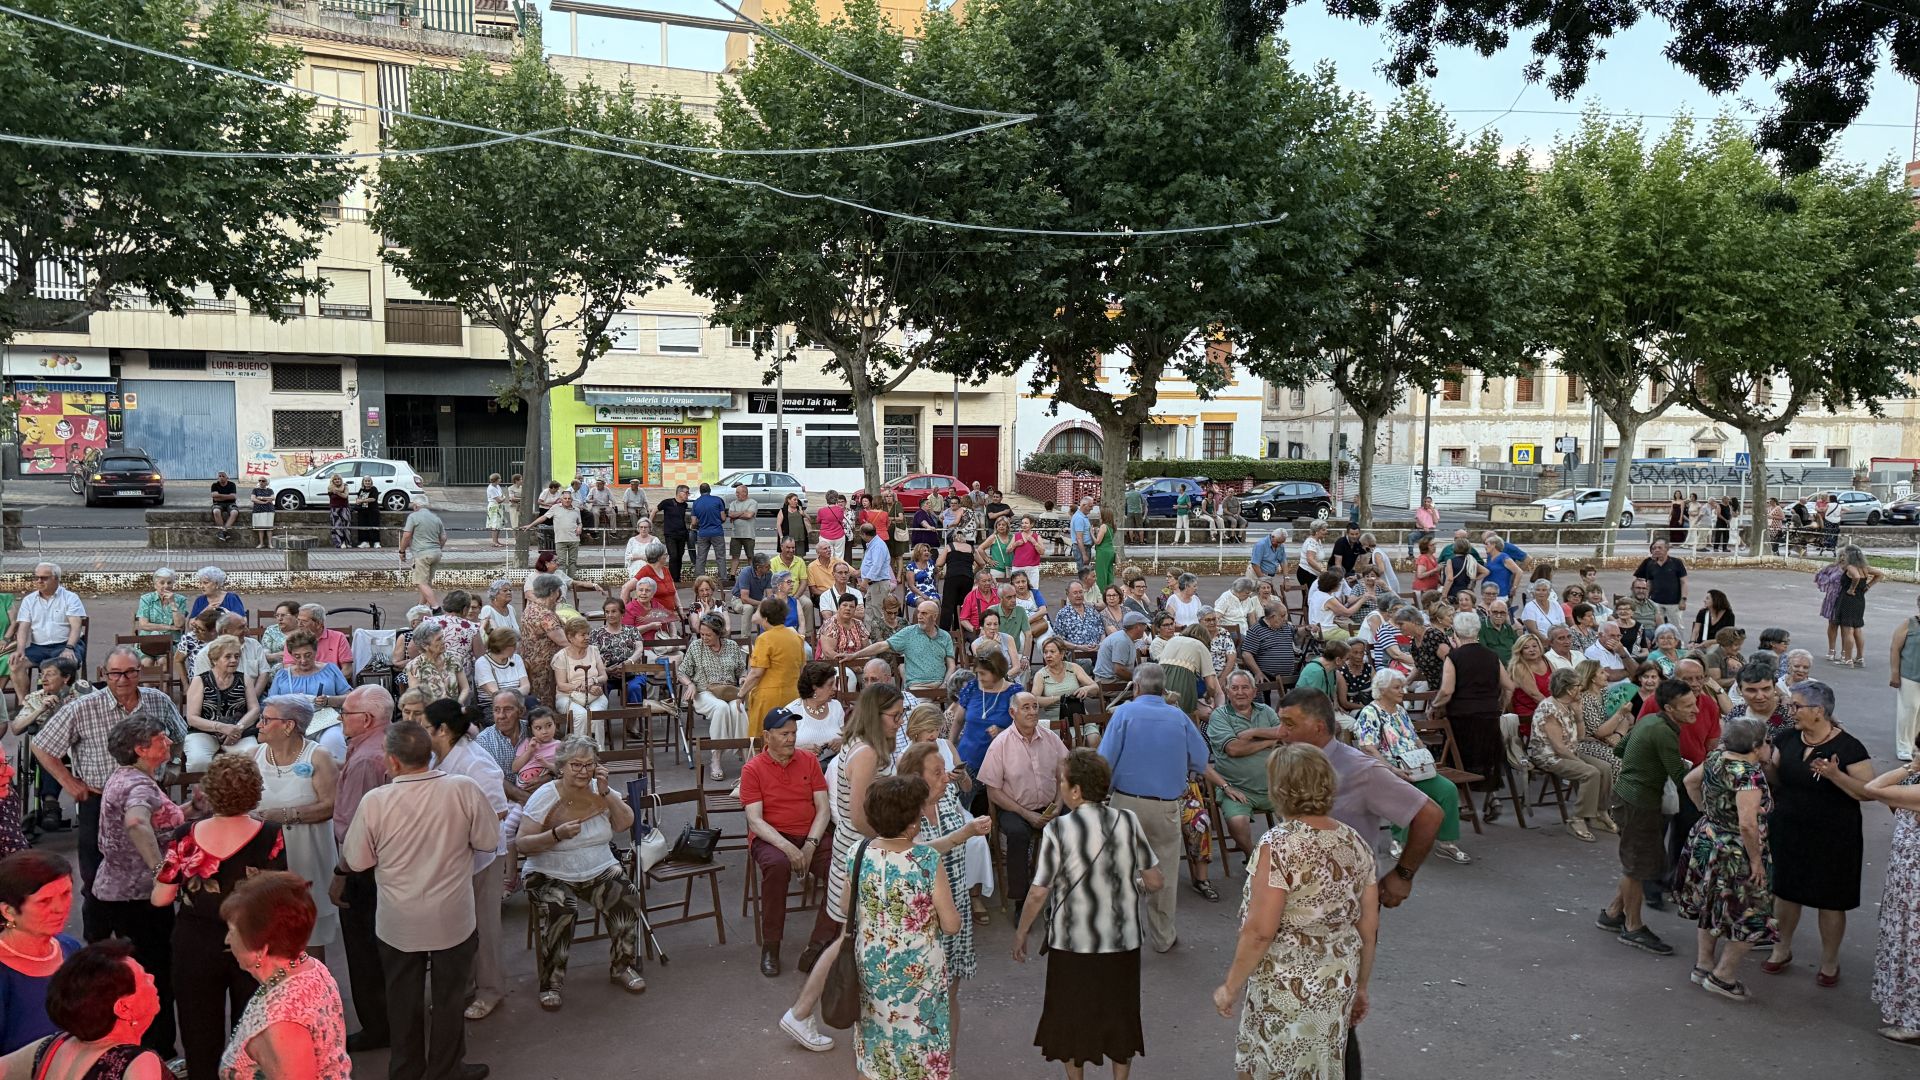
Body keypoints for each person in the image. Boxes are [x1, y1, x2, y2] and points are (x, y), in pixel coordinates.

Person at [1274, 687, 1442, 1076]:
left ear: (1318, 727)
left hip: (1346, 916)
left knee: (1338, 1018)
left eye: (1289, 724)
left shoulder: (1361, 770)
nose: (1280, 733)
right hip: (1298, 916)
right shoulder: (1292, 762)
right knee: (1301, 1017)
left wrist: (1402, 875)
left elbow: (1428, 814)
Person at [338, 720, 496, 1080]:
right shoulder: (463, 789)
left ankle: (407, 1071)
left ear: (391, 761)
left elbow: (357, 861)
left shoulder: (376, 801)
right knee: (450, 1000)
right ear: (429, 754)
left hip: (399, 921)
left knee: (402, 1000)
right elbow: (488, 841)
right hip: (452, 918)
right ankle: (446, 1069)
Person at [1212, 742, 1377, 1080]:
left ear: (1279, 787)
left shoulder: (1279, 845)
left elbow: (1260, 930)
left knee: (1273, 1063)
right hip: (1338, 976)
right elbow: (1368, 926)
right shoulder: (1354, 841)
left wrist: (1230, 986)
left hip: (1287, 982)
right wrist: (1361, 986)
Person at [1013, 749, 1161, 1080]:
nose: (1060, 788)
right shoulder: (1127, 821)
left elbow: (1039, 891)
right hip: (1122, 941)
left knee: (1072, 1019)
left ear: (1076, 789)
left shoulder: (1058, 829)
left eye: (1062, 782)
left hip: (1072, 942)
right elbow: (1154, 880)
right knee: (1121, 1016)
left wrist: (1022, 932)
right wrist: (1131, 883)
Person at [776, 686, 905, 1054]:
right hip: (861, 855)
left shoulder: (864, 745)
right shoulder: (865, 752)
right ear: (875, 714)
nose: (899, 722)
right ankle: (802, 1013)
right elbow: (860, 817)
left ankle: (809, 1013)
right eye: (894, 715)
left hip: (858, 853)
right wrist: (894, 842)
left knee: (851, 938)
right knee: (847, 940)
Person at [31, 647, 184, 941]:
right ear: (104, 674)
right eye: (115, 673)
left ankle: (149, 939)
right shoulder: (83, 707)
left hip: (150, 799)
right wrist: (68, 781)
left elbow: (178, 735)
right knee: (96, 877)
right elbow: (41, 745)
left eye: (130, 672)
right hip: (98, 800)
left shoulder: (158, 700)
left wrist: (174, 762)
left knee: (148, 871)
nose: (123, 679)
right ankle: (97, 943)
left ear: (140, 672)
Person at [149, 754, 287, 1079]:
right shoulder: (270, 833)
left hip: (195, 943)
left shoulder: (185, 834)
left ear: (208, 791)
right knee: (250, 1034)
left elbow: (161, 897)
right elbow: (277, 896)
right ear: (255, 791)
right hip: (253, 942)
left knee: (199, 1034)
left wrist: (164, 870)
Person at [511, 737, 644, 1012]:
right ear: (561, 766)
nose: (583, 771)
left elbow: (624, 824)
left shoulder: (600, 789)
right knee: (563, 908)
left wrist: (607, 794)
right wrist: (555, 834)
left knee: (626, 896)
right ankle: (551, 983)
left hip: (597, 866)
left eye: (589, 765)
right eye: (576, 765)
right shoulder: (546, 794)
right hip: (548, 870)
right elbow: (522, 843)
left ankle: (622, 967)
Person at [1761, 679, 1874, 987]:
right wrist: (1765, 765)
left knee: (1831, 899)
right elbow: (1776, 779)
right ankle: (1781, 949)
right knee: (1786, 892)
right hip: (1790, 828)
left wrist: (1835, 775)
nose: (1790, 710)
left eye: (1796, 706)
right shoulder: (1786, 739)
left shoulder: (1850, 747)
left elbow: (1867, 793)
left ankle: (1829, 960)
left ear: (1819, 711)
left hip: (1835, 835)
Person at [88, 715, 182, 1062]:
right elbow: (136, 822)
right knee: (153, 980)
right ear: (141, 749)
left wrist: (192, 810)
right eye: (161, 739)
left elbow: (155, 821)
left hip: (112, 892)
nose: (169, 742)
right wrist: (161, 871)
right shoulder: (140, 786)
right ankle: (158, 1055)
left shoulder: (128, 778)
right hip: (139, 901)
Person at [1097, 664, 1207, 953]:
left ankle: (1118, 932)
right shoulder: (1178, 717)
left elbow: (1104, 761)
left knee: (1119, 869)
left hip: (1125, 802)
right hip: (1164, 805)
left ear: (1135, 687)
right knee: (1165, 873)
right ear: (1163, 688)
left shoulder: (1123, 714)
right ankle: (1163, 936)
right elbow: (1200, 758)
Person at [1668, 713, 1776, 1000]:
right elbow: (1747, 823)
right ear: (1755, 745)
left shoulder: (1717, 758)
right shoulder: (1747, 774)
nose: (1770, 747)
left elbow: (1691, 781)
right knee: (1750, 913)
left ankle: (1703, 965)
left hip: (1708, 838)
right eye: (1767, 742)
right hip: (1735, 851)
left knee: (1711, 903)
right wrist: (1755, 861)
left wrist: (1709, 812)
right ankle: (1723, 976)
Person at [214, 873, 352, 1079]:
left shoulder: (281, 1023)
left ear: (261, 949)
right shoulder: (309, 966)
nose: (227, 939)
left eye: (233, 931)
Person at [1599, 679, 1699, 957]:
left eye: (1695, 703)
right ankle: (1633, 927)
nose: (1696, 711)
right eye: (1688, 706)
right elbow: (1680, 778)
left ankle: (1613, 913)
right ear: (1670, 708)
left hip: (1629, 798)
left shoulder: (1650, 720)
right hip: (1639, 804)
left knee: (1638, 862)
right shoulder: (1665, 732)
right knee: (1636, 867)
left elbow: (1620, 750)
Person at [741, 709, 837, 978]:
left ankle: (820, 942)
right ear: (767, 736)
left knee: (842, 871)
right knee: (777, 867)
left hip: (811, 835)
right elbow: (755, 821)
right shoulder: (753, 769)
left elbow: (823, 809)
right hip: (772, 837)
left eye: (794, 733)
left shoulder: (808, 760)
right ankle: (771, 945)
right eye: (784, 734)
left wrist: (809, 845)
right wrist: (788, 848)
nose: (791, 739)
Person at [1350, 670, 1472, 864]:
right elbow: (1368, 748)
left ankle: (1446, 842)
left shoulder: (1400, 711)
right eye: (1397, 687)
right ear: (1382, 690)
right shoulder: (1370, 713)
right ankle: (1398, 841)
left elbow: (1414, 739)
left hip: (1413, 764)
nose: (1403, 691)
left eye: (1403, 687)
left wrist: (1426, 757)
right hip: (1385, 767)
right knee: (1406, 789)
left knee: (1447, 789)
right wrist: (1392, 769)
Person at [249, 697, 340, 954]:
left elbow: (329, 806)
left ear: (288, 726)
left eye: (266, 719)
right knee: (270, 939)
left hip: (308, 855)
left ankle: (314, 991)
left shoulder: (318, 756)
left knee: (310, 939)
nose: (259, 725)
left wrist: (285, 815)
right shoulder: (254, 756)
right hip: (268, 862)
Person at [979, 692, 1068, 922]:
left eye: (1035, 706)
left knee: (1078, 822)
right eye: (1026, 707)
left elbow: (1064, 776)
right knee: (1018, 834)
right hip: (1015, 808)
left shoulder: (1050, 738)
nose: (1032, 712)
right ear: (1013, 713)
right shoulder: (1000, 744)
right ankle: (1021, 901)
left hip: (1051, 804)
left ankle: (1069, 892)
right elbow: (993, 792)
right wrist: (1026, 814)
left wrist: (1058, 804)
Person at [0, 852, 83, 1057]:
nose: (60, 908)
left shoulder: (70, 949)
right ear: (9, 911)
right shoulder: (5, 974)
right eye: (44, 901)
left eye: (66, 893)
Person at [1432, 612, 1512, 817]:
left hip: (1462, 715)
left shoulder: (1454, 657)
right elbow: (1509, 686)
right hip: (1488, 713)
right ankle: (1492, 797)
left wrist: (1434, 706)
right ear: (1477, 631)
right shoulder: (1491, 655)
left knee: (1459, 758)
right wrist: (1501, 705)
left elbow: (1447, 690)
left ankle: (1462, 803)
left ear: (1456, 632)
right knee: (1487, 757)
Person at [1527, 668, 1612, 842]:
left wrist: (1579, 715)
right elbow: (1558, 747)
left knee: (1605, 768)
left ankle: (1599, 812)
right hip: (1549, 756)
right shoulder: (1549, 708)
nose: (1581, 688)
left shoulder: (1568, 705)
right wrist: (1581, 762)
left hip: (1570, 750)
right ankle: (1577, 819)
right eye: (1578, 685)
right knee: (1591, 772)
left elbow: (1580, 737)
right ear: (1569, 689)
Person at [1206, 671, 1282, 862]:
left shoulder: (1266, 711)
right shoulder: (1219, 716)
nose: (1240, 692)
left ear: (1254, 691)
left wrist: (1254, 732)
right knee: (1237, 822)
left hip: (1276, 786)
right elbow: (1233, 749)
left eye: (1245, 687)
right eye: (1235, 688)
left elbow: (1285, 733)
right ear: (1227, 691)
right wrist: (1268, 741)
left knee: (1301, 815)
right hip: (1237, 789)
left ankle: (1287, 859)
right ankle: (1254, 859)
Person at [267, 633, 352, 765]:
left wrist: (328, 700)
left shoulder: (330, 670)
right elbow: (270, 704)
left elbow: (350, 698)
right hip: (292, 725)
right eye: (297, 656)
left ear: (315, 651)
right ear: (290, 655)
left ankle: (337, 779)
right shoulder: (282, 676)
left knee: (333, 741)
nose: (303, 660)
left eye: (308, 655)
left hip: (326, 722)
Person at [182, 636, 260, 774]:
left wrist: (237, 729)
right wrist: (221, 727)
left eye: (237, 656)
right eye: (228, 656)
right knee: (198, 760)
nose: (234, 660)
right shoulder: (200, 680)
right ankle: (202, 795)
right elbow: (192, 718)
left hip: (239, 732)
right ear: (214, 659)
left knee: (253, 756)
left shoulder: (244, 678)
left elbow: (254, 709)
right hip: (204, 732)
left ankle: (243, 794)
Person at [12, 562, 85, 699]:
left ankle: (69, 702)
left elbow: (76, 626)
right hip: (38, 647)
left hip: (65, 644)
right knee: (16, 664)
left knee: (67, 662)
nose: (39, 581)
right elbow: (23, 628)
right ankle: (26, 704)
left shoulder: (70, 598)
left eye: (44, 578)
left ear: (56, 578)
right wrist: (20, 649)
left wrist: (69, 648)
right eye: (37, 577)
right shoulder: (29, 600)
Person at [854, 600, 955, 691]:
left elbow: (951, 666)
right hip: (918, 687)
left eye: (924, 613)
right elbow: (881, 646)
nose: (919, 616)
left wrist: (945, 684)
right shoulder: (909, 633)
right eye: (918, 612)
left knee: (962, 703)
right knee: (923, 709)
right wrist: (853, 655)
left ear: (935, 616)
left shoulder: (945, 636)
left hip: (941, 686)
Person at [550, 619, 608, 750]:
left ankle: (599, 752)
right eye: (583, 635)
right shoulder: (561, 656)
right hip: (567, 696)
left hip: (595, 695)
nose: (587, 637)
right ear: (570, 637)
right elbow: (561, 685)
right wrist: (582, 687)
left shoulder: (594, 650)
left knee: (596, 714)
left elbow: (604, 676)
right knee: (581, 715)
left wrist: (593, 681)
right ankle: (579, 753)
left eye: (588, 634)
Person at [397, 496, 446, 608]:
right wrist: (438, 548)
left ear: (415, 506)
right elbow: (443, 538)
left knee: (420, 582)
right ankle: (421, 606)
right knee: (427, 583)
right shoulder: (436, 518)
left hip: (422, 554)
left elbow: (407, 535)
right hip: (436, 553)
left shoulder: (413, 517)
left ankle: (435, 607)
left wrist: (402, 551)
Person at [1239, 602, 1301, 687]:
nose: (1285, 618)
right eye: (1282, 616)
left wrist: (1307, 629)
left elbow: (1297, 633)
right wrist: (1258, 672)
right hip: (1267, 675)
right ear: (1273, 617)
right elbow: (1246, 654)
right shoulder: (1256, 630)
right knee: (1263, 694)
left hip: (1289, 674)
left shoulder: (1285, 626)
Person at [1633, 539, 1688, 628]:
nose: (1656, 550)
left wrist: (1683, 599)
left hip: (1673, 602)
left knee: (1676, 627)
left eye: (1660, 548)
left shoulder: (1676, 562)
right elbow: (1649, 582)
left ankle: (1679, 642)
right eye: (1654, 548)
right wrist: (1646, 598)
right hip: (1656, 602)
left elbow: (1684, 582)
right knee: (1658, 627)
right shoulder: (1651, 564)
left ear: (1667, 549)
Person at [133, 570, 188, 649]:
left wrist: (172, 602)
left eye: (169, 583)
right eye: (162, 583)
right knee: (146, 661)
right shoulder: (146, 599)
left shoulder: (181, 599)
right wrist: (169, 627)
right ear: (155, 585)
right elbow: (143, 625)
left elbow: (179, 625)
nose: (166, 586)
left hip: (172, 641)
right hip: (148, 640)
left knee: (163, 660)